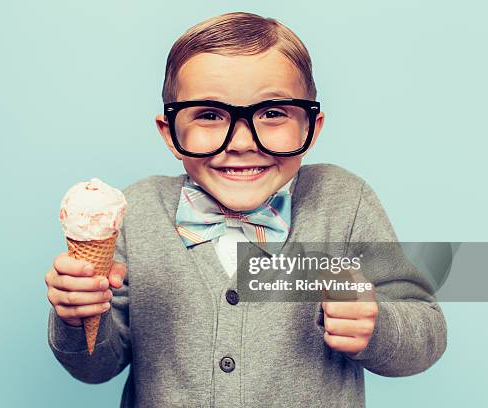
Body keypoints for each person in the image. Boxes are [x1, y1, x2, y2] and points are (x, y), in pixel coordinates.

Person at [44, 12, 447, 407]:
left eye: (272, 113)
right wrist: (76, 316)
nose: (240, 142)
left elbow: (426, 329)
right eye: (209, 114)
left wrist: (376, 326)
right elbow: (95, 368)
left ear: (310, 127)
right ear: (170, 133)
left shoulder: (343, 200)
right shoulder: (139, 212)